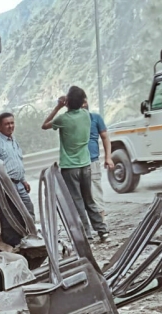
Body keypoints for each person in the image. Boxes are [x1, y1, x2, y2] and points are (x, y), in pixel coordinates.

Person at [42, 86, 107, 241]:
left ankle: (86, 234)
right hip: (86, 164)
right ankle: (102, 230)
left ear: (68, 101)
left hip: (69, 167)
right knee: (89, 199)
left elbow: (45, 125)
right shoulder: (86, 115)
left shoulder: (63, 119)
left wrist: (58, 106)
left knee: (77, 201)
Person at [0, 112, 34, 216]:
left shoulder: (13, 140)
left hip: (19, 183)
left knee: (29, 209)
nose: (10, 126)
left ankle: (32, 231)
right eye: (7, 124)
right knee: (16, 213)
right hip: (8, 185)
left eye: (12, 123)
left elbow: (18, 161)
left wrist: (23, 180)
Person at [84, 99, 113, 219]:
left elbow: (105, 137)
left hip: (93, 161)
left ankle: (102, 225)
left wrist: (108, 157)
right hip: (76, 164)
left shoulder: (95, 118)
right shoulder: (70, 120)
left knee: (96, 195)